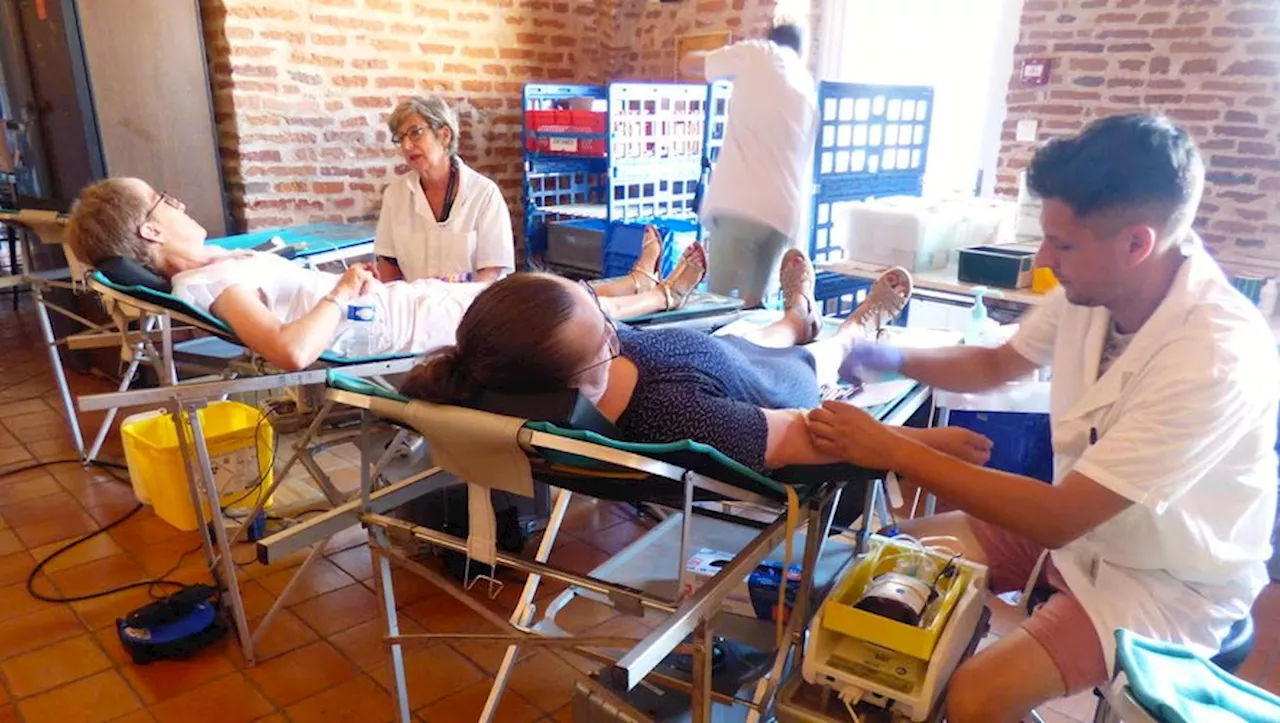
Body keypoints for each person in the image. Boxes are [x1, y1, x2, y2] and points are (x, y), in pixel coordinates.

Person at [808, 114, 1279, 723]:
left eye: (1062, 244)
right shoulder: (1098, 291)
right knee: (886, 562)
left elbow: (1060, 519)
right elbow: (997, 363)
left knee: (978, 696)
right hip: (1089, 529)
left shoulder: (1213, 353)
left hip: (1166, 578)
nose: (1043, 257)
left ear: (1137, 243)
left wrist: (895, 448)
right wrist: (890, 355)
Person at [400, 250, 991, 475]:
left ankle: (797, 312)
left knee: (756, 330)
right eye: (606, 333)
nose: (615, 327)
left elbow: (607, 336)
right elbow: (808, 435)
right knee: (820, 355)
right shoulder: (678, 422)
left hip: (716, 351)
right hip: (756, 383)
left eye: (598, 306)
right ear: (579, 383)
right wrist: (924, 445)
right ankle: (855, 326)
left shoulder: (522, 356)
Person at [62, 178, 713, 372]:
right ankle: (654, 295)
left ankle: (633, 284)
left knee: (520, 293)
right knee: (535, 313)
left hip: (405, 303)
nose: (177, 202)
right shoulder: (204, 286)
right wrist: (344, 291)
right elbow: (290, 351)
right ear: (149, 232)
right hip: (399, 326)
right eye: (161, 203)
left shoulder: (216, 264)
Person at [680, 20, 817, 308]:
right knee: (753, 307)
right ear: (800, 50)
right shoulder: (806, 84)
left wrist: (729, 61)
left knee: (716, 305)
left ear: (770, 38)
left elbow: (688, 63)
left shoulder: (760, 52)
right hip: (783, 213)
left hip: (740, 205)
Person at [374, 95, 514, 284]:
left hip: (471, 306)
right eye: (400, 138)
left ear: (444, 135)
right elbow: (388, 265)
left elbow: (492, 271)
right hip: (415, 307)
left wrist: (455, 308)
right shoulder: (395, 195)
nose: (407, 146)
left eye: (415, 133)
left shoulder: (484, 194)